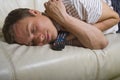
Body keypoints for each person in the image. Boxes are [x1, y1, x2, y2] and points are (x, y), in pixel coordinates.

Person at [2, 0, 120, 50]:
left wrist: (64, 19)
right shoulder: (57, 38)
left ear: (34, 12)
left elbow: (114, 18)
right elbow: (99, 43)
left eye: (33, 30)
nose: (39, 39)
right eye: (32, 43)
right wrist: (69, 37)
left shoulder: (75, 5)